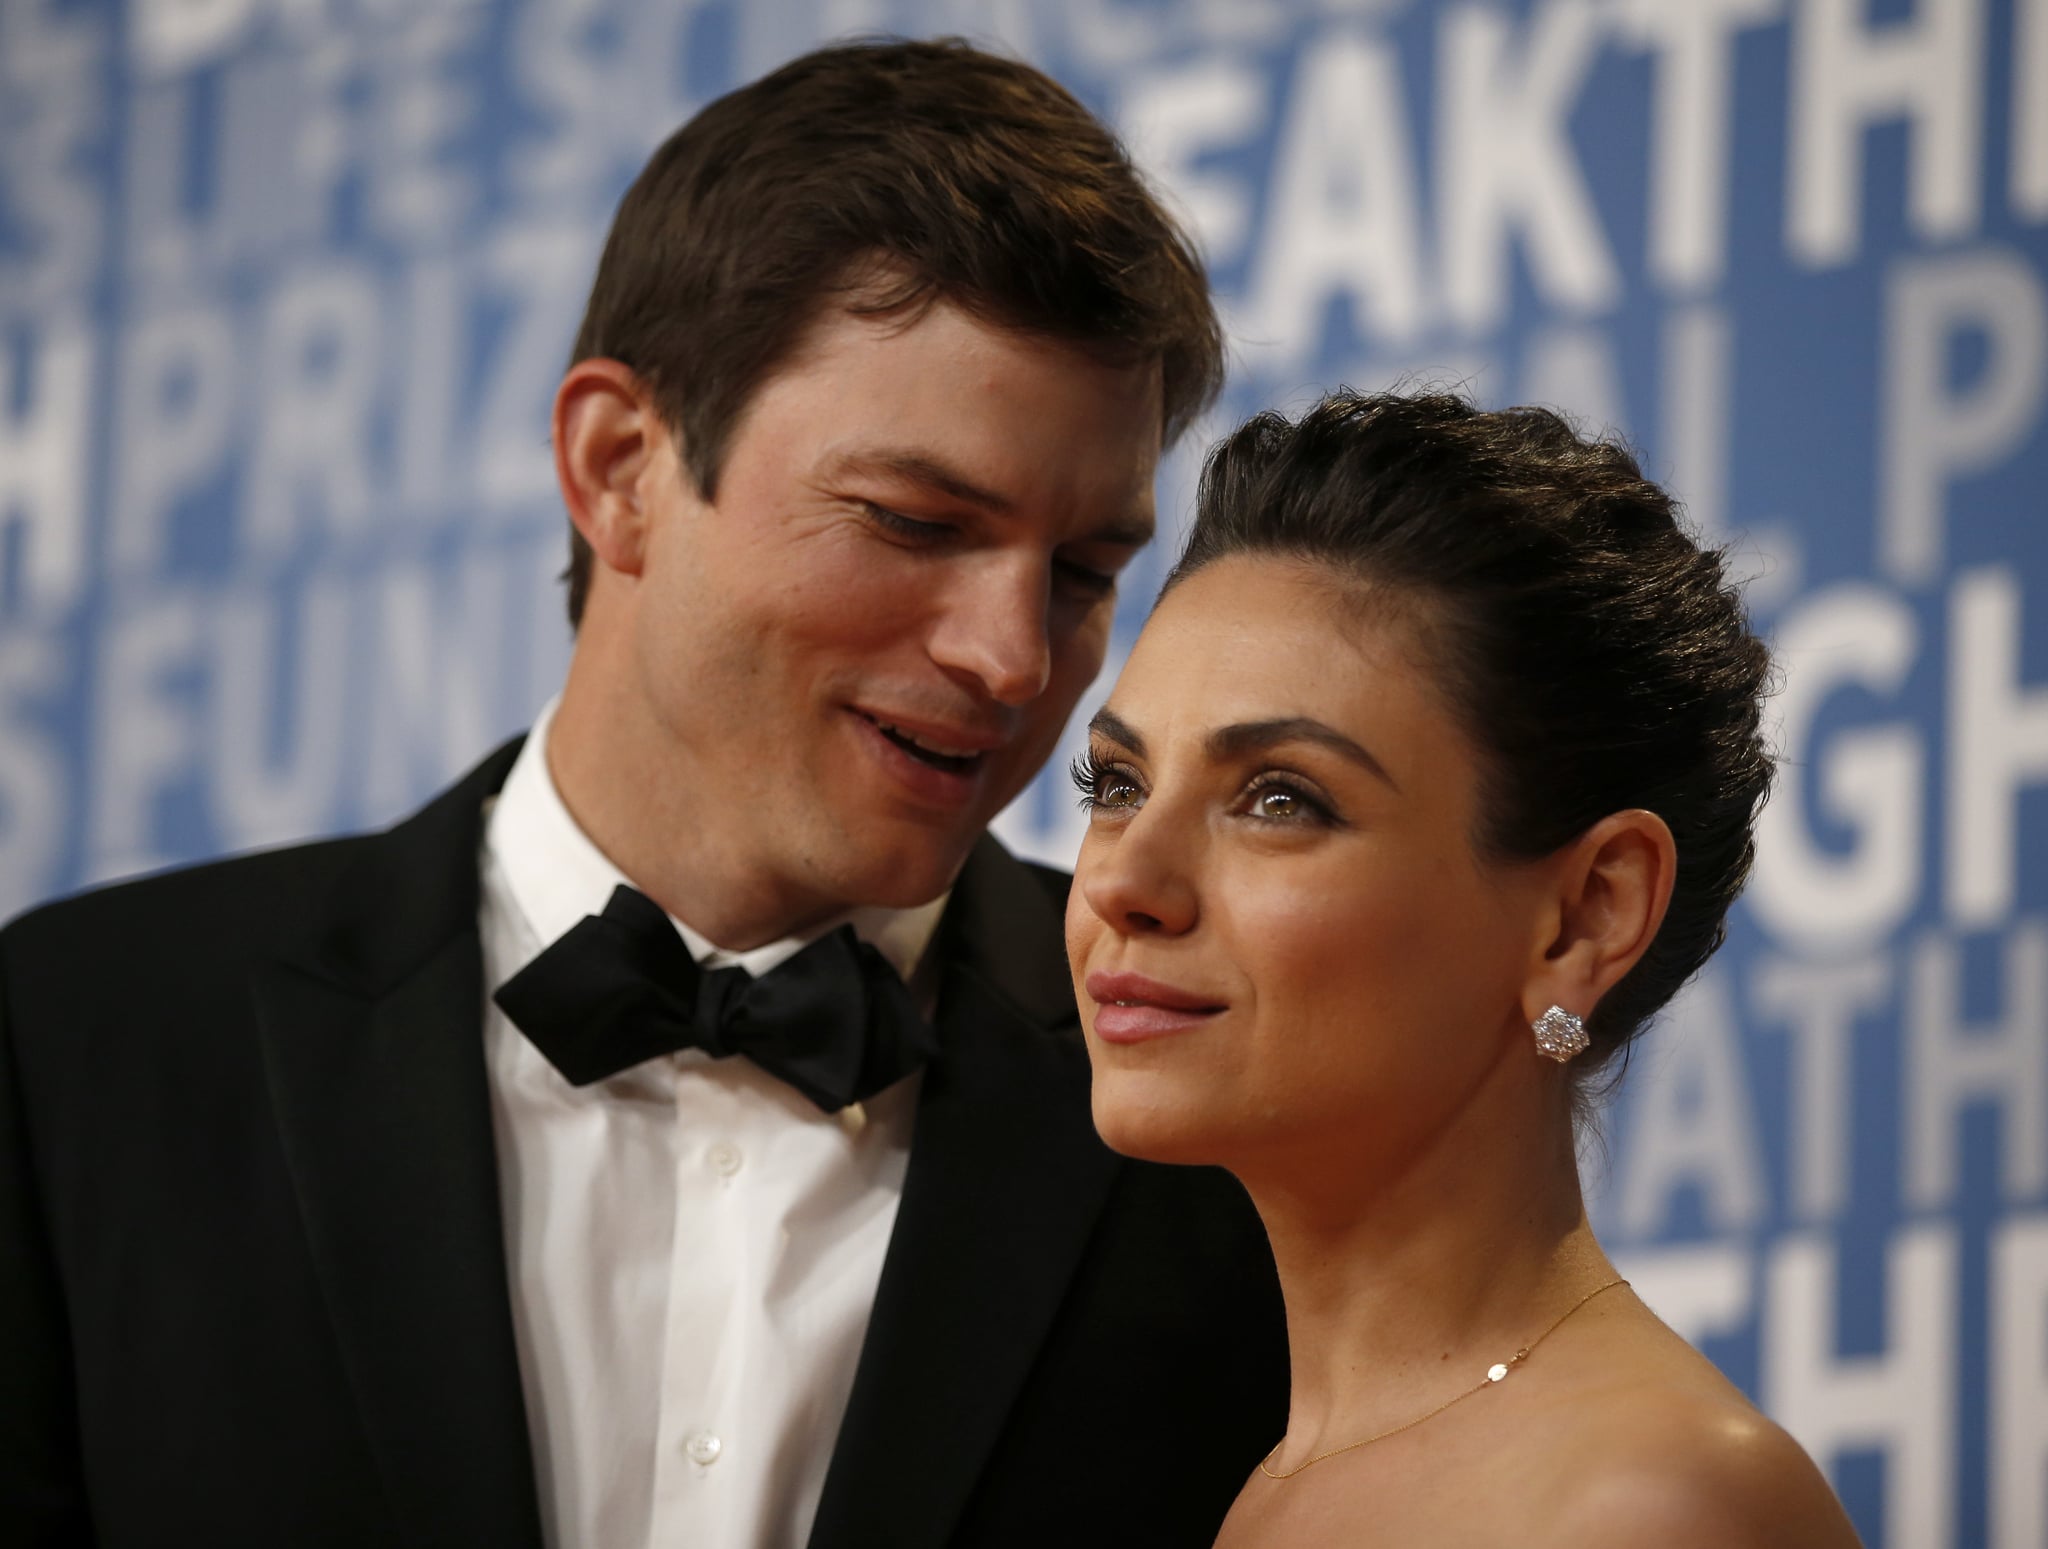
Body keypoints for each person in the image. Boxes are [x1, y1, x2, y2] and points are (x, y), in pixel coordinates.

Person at [0, 40, 1287, 1549]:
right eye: (916, 521)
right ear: (620, 468)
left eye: (1083, 573)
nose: (1014, 657)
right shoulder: (79, 1045)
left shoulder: (1223, 1109)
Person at [1065, 390, 1863, 1547]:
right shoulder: (1266, 1491)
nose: (1119, 883)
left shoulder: (1653, 1507)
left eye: (1278, 799)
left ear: (1586, 915)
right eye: (1117, 786)